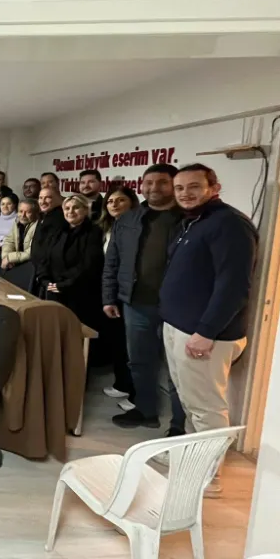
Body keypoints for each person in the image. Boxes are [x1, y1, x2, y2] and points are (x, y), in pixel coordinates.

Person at [159, 164, 257, 495]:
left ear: (213, 188)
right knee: (190, 403)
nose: (185, 193)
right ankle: (192, 461)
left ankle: (209, 479)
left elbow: (234, 285)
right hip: (179, 326)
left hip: (203, 334)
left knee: (207, 408)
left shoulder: (229, 224)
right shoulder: (194, 221)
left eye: (194, 186)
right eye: (179, 188)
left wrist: (206, 331)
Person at [103, 164, 186, 435]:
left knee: (177, 369)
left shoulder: (188, 219)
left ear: (173, 184)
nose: (153, 188)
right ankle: (146, 410)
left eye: (161, 182)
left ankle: (179, 425)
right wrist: (109, 297)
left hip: (177, 308)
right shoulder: (128, 219)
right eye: (148, 183)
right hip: (136, 303)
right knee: (139, 361)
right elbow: (112, 262)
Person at [92, 186, 141, 415]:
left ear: (132, 203)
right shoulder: (108, 227)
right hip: (111, 292)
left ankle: (136, 393)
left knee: (132, 346)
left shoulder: (137, 228)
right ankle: (122, 383)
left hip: (130, 294)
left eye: (121, 200)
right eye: (110, 201)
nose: (114, 204)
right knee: (118, 342)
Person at [40, 193, 105, 330]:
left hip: (79, 294)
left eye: (76, 208)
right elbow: (45, 257)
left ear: (85, 210)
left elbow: (89, 264)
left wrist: (65, 284)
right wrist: (45, 280)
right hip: (54, 290)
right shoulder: (58, 231)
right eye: (67, 208)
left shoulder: (94, 232)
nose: (71, 211)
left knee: (74, 333)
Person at [30, 186, 68, 294]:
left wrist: (44, 277)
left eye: (48, 198)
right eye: (40, 198)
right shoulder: (44, 216)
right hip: (41, 274)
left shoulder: (59, 219)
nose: (43, 201)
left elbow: (49, 250)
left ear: (59, 199)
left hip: (50, 278)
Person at [1, 199, 39, 269]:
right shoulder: (17, 222)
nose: (23, 215)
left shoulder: (39, 226)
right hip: (18, 262)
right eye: (21, 211)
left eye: (28, 212)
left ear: (35, 214)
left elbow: (32, 251)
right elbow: (9, 241)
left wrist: (10, 258)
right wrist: (5, 256)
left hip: (32, 265)